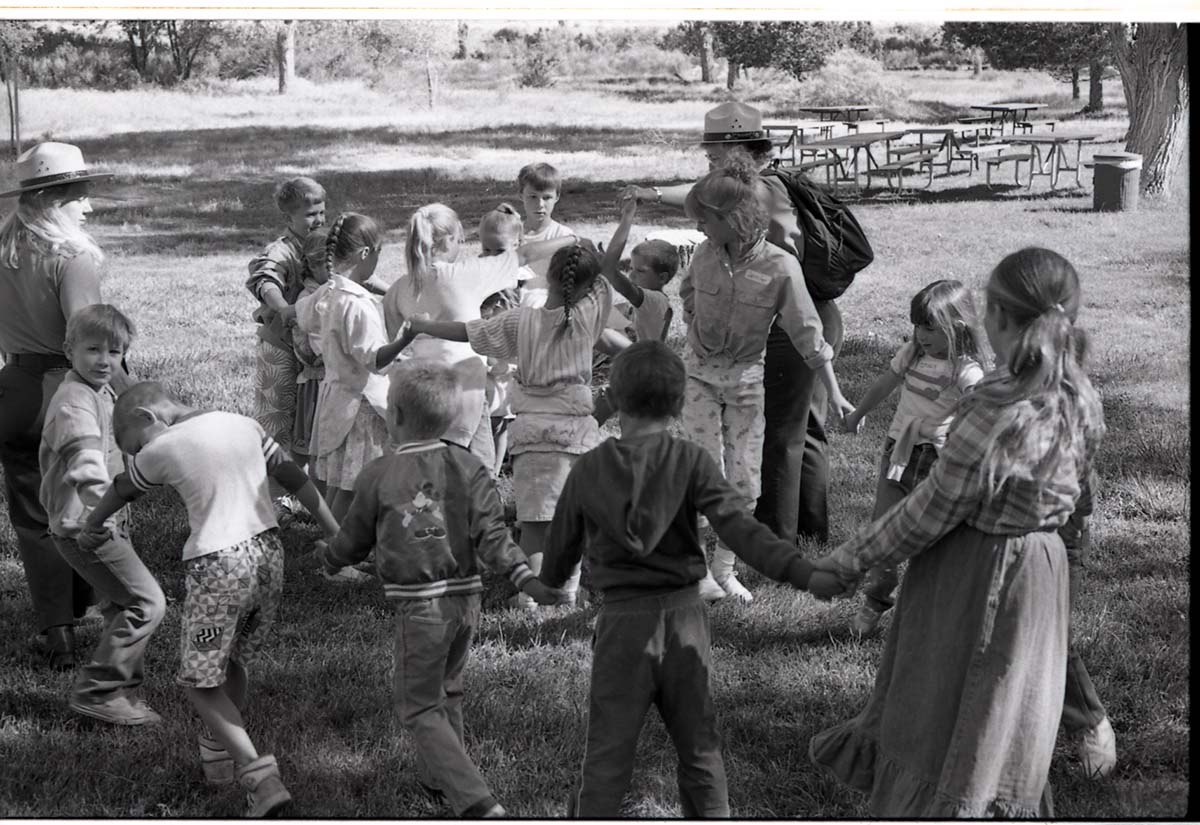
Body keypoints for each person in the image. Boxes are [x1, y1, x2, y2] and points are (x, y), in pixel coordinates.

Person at [808, 247, 1106, 817]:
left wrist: (848, 561)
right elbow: (1079, 504)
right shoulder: (1079, 397)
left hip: (973, 573)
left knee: (949, 704)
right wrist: (1068, 564)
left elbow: (931, 509)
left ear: (994, 318)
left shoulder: (994, 405)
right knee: (1007, 710)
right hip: (1039, 576)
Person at [539, 340, 842, 817]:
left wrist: (549, 584)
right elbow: (742, 530)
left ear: (614, 400)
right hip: (684, 621)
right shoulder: (692, 460)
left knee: (607, 755)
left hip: (621, 627)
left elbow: (559, 555)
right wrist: (802, 572)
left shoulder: (589, 468)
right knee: (700, 747)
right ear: (680, 404)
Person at [78, 380, 341, 818]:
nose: (138, 454)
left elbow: (124, 487)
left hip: (218, 566)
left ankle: (261, 778)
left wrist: (93, 526)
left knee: (199, 684)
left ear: (149, 418)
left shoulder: (161, 447)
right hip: (269, 557)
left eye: (133, 444)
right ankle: (217, 750)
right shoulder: (246, 425)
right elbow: (294, 477)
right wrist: (336, 532)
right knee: (232, 661)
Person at [314, 359, 559, 819]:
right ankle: (440, 782)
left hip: (421, 607)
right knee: (449, 692)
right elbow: (494, 535)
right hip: (467, 601)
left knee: (418, 706)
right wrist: (525, 577)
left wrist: (329, 559)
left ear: (396, 416)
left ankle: (475, 801)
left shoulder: (379, 474)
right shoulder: (469, 466)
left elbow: (353, 540)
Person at [628, 101, 846, 546]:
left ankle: (778, 538)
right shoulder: (746, 205)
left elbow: (702, 198)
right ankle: (805, 532)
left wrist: (651, 195)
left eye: (713, 156)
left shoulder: (754, 193)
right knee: (799, 427)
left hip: (789, 318)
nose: (708, 164)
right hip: (786, 312)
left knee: (783, 432)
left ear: (737, 151)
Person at [395, 237, 631, 610]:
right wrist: (620, 222)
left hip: (531, 433)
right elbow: (607, 273)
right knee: (573, 519)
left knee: (535, 524)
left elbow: (470, 332)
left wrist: (425, 326)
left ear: (548, 278)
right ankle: (567, 589)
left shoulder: (521, 320)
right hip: (576, 433)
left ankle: (530, 595)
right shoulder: (588, 319)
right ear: (588, 287)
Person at [678, 158, 853, 604]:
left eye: (705, 219)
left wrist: (835, 393)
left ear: (732, 219)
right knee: (701, 470)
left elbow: (808, 333)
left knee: (743, 478)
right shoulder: (703, 255)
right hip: (699, 374)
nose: (698, 227)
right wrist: (695, 324)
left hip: (745, 380)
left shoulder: (780, 267)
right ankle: (698, 571)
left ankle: (724, 570)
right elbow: (688, 296)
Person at [0, 141, 118, 668]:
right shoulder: (73, 256)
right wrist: (133, 396)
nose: (88, 206)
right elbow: (90, 336)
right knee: (88, 502)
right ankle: (100, 606)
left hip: (14, 389)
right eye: (79, 195)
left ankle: (58, 628)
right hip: (67, 392)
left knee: (33, 515)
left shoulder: (4, 248)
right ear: (52, 200)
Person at [39, 304, 167, 725]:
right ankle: (97, 691)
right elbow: (85, 463)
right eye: (93, 349)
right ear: (68, 349)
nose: (104, 361)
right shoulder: (74, 401)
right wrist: (102, 514)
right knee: (147, 603)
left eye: (115, 353)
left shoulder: (102, 391)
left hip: (101, 520)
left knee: (119, 606)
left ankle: (123, 697)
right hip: (87, 524)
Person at [382, 202, 578, 473]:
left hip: (417, 394)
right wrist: (573, 238)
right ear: (450, 239)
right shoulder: (467, 273)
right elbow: (524, 255)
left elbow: (387, 345)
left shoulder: (400, 287)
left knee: (427, 474)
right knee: (479, 474)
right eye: (460, 238)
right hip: (464, 391)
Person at [841, 280, 985, 635]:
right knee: (884, 531)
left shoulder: (964, 369)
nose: (922, 335)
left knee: (935, 542)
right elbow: (884, 385)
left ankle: (935, 612)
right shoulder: (911, 355)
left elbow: (983, 407)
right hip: (899, 454)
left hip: (937, 462)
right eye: (919, 325)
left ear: (958, 328)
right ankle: (875, 603)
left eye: (931, 328)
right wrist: (859, 413)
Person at [301, 213, 403, 585]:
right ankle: (335, 559)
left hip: (335, 396)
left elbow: (303, 318)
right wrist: (405, 341)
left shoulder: (327, 292)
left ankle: (334, 544)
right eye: (378, 252)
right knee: (349, 487)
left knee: (337, 483)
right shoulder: (357, 304)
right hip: (359, 406)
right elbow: (374, 357)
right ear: (364, 253)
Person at [245, 175, 326, 495]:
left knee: (308, 422)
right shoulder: (281, 250)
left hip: (313, 352)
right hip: (280, 346)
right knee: (275, 420)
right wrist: (283, 308)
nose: (318, 219)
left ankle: (303, 490)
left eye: (322, 211)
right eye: (309, 214)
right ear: (288, 217)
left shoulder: (324, 244)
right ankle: (269, 495)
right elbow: (264, 279)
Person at [592, 195, 679, 427]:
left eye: (640, 271)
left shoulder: (653, 300)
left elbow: (610, 273)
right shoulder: (651, 302)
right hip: (641, 369)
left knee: (630, 428)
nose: (631, 275)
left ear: (662, 277)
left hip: (645, 375)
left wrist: (627, 216)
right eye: (631, 269)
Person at [515, 162, 575, 308]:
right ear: (521, 195)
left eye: (546, 197)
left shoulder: (563, 236)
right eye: (533, 197)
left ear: (557, 197)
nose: (540, 204)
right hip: (516, 303)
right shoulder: (512, 234)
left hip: (550, 304)